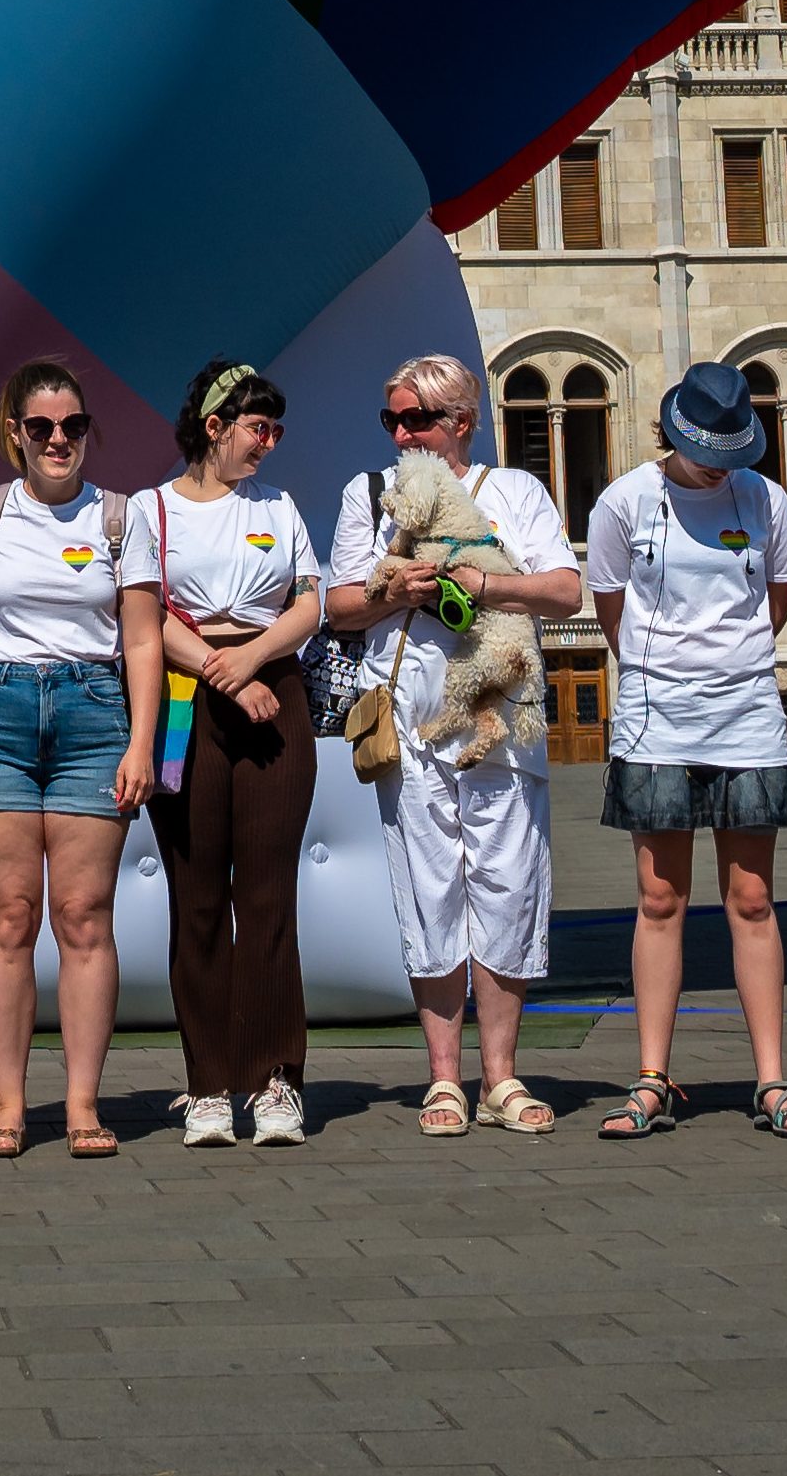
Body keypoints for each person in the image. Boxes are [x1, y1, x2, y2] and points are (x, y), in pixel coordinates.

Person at [327, 353, 583, 1138]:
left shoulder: (515, 491)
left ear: (461, 421)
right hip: (407, 717)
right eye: (391, 419)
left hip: (499, 706)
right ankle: (443, 1078)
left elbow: (564, 590)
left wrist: (481, 585)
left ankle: (501, 1074)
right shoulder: (369, 494)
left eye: (416, 418)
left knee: (505, 884)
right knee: (427, 886)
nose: (401, 432)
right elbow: (336, 605)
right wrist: (390, 588)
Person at [0, 356, 159, 1157]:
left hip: (94, 711)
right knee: (7, 917)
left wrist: (141, 741)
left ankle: (82, 1103)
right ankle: (5, 1105)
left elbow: (141, 635)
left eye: (72, 425)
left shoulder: (122, 516)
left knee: (82, 915)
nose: (58, 439)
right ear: (15, 433)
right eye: (41, 426)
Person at [586, 359, 787, 1141]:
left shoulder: (764, 499)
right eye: (703, 448)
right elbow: (611, 607)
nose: (715, 464)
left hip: (745, 712)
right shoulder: (624, 502)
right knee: (659, 899)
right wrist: (667, 669)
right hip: (656, 717)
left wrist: (726, 661)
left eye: (726, 450)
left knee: (751, 898)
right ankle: (651, 1075)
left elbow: (774, 602)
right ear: (673, 431)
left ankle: (772, 1079)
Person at [136, 360, 326, 1148]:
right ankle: (209, 1081)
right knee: (199, 898)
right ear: (213, 426)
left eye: (277, 428)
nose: (269, 443)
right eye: (257, 427)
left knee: (269, 897)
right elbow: (141, 611)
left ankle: (275, 1078)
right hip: (184, 699)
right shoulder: (150, 508)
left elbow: (309, 599)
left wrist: (249, 663)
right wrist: (217, 670)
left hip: (272, 689)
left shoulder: (276, 504)